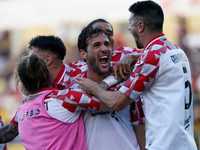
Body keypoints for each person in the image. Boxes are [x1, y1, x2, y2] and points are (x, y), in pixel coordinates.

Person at [75, 1, 198, 150]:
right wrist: (132, 57)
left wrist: (94, 87)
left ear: (140, 26)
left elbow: (117, 102)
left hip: (165, 146)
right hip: (186, 143)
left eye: (130, 23)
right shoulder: (176, 50)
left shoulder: (152, 57)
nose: (129, 28)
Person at [0, 26, 145, 148]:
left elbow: (149, 56)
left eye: (33, 58)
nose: (31, 62)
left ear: (47, 60)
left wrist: (130, 57)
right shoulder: (57, 98)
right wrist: (111, 81)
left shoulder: (82, 68)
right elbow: (112, 101)